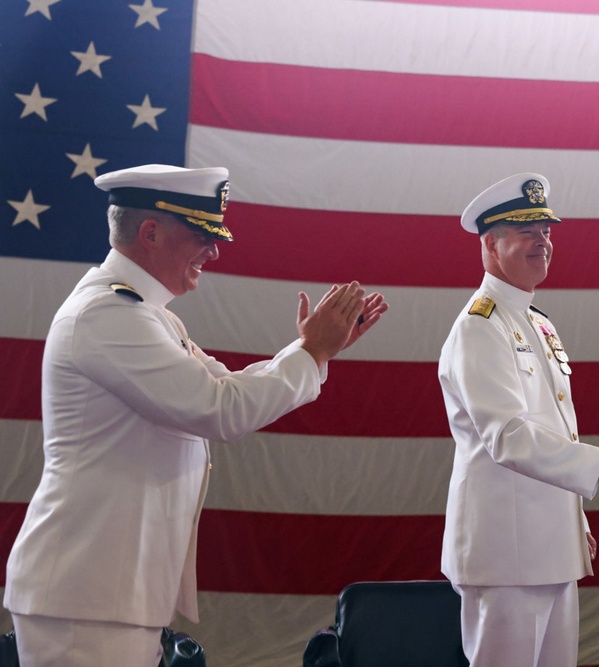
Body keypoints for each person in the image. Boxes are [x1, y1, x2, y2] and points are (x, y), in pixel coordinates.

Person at [3, 164, 388, 666]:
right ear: (150, 232)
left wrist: (312, 350)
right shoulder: (108, 315)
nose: (215, 250)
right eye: (202, 235)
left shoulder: (149, 315)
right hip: (87, 593)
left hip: (108, 591)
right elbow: (218, 410)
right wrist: (311, 352)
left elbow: (223, 388)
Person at [438, 173, 599, 667]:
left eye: (546, 231)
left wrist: (573, 515)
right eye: (527, 231)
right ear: (490, 243)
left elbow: (551, 432)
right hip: (505, 553)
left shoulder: (538, 323)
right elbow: (507, 436)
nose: (543, 242)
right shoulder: (479, 327)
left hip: (549, 546)